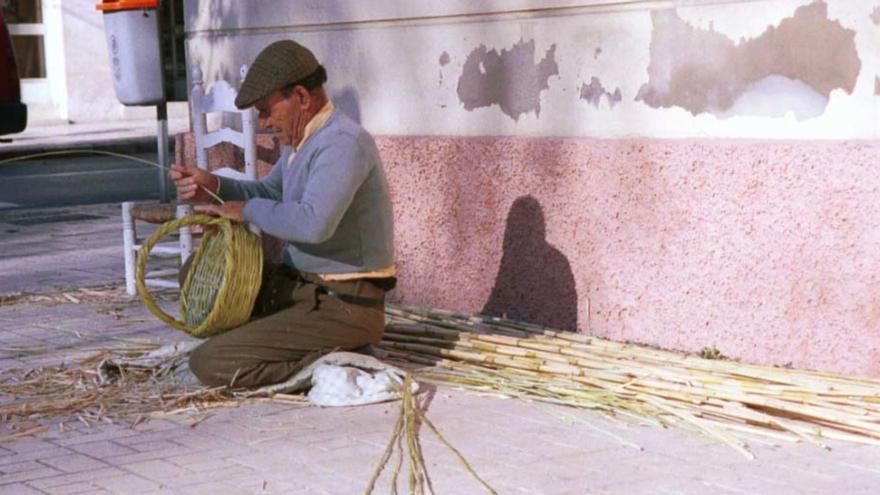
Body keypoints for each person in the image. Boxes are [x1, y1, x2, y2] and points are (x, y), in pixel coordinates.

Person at [170, 40, 395, 388]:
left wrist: (245, 211)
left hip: (344, 305)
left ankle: (335, 357)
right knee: (195, 274)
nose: (264, 123)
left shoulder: (342, 143)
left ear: (302, 97)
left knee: (210, 363)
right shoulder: (302, 140)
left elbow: (313, 223)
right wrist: (213, 185)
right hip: (301, 289)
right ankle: (289, 338)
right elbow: (269, 192)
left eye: (266, 110)